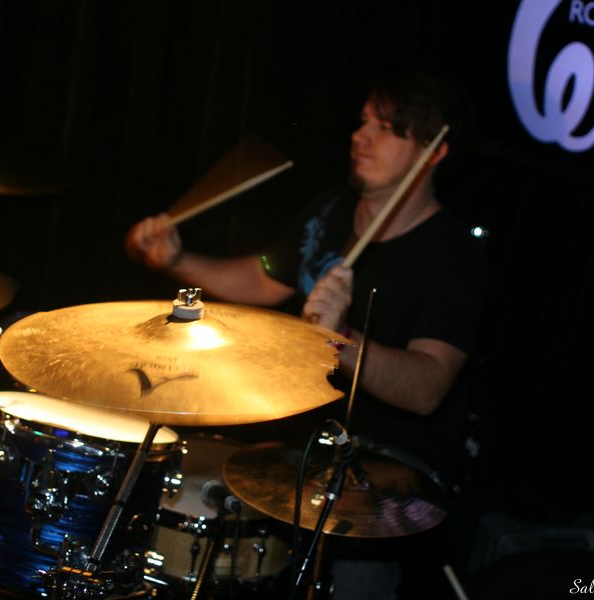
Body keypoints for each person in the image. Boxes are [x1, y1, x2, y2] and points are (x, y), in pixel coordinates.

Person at [126, 68, 488, 598]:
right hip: (305, 441)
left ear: (434, 152)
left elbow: (426, 387)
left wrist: (341, 337)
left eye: (387, 128)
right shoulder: (331, 209)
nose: (360, 136)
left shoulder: (454, 258)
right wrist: (177, 260)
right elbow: (262, 279)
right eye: (363, 121)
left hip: (389, 467)